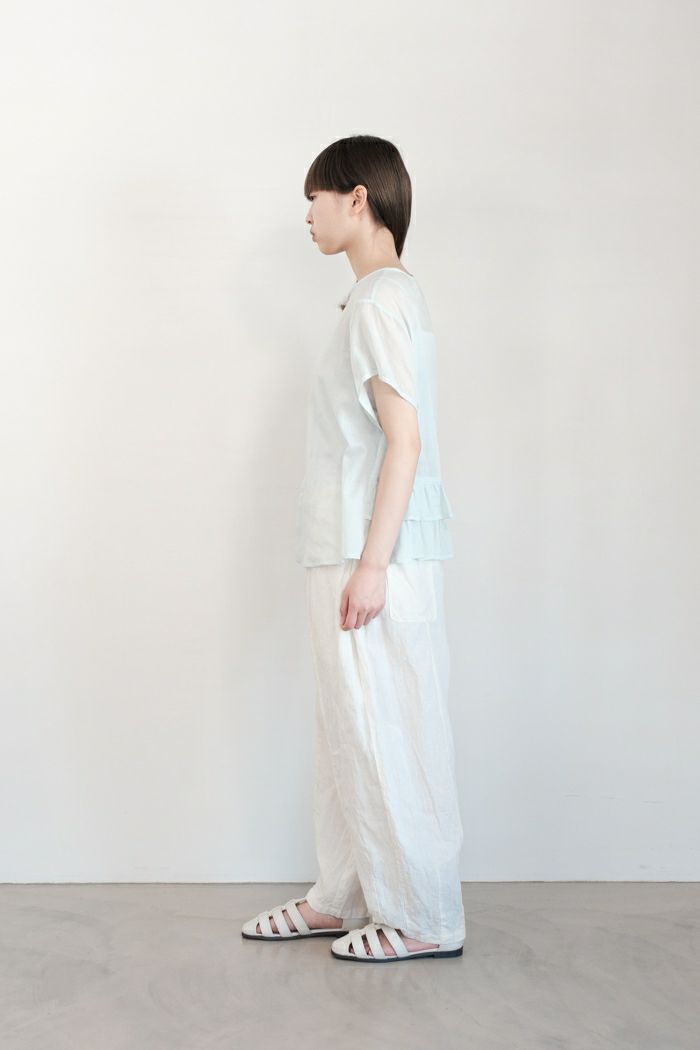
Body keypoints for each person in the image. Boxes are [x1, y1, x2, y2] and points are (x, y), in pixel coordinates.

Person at [242, 134, 466, 963]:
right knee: (351, 730)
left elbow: (404, 440)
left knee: (384, 730)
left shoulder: (377, 303)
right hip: (359, 547)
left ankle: (423, 916)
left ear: (358, 198)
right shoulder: (382, 297)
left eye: (316, 198)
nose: (308, 215)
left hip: (369, 553)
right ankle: (341, 896)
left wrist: (372, 566)